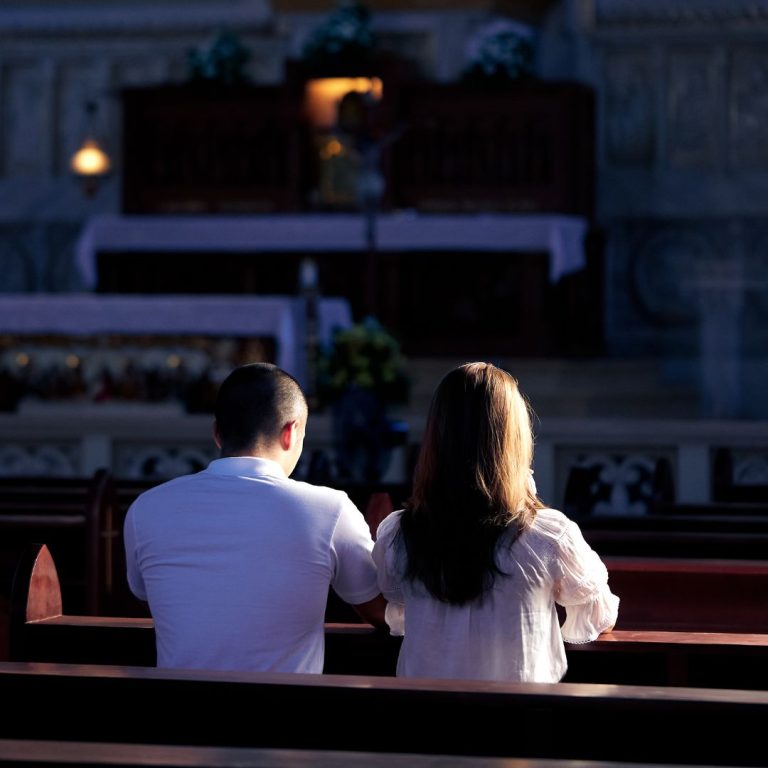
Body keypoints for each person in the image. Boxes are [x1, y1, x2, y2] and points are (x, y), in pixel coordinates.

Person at [124, 362, 387, 673]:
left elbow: (153, 598)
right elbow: (381, 613)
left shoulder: (147, 508)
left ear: (217, 434)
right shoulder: (329, 509)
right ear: (291, 432)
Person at [372, 362, 619, 683]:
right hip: (519, 721)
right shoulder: (547, 534)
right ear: (513, 440)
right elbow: (598, 614)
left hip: (426, 720)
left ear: (437, 438)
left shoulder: (401, 533)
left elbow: (397, 601)